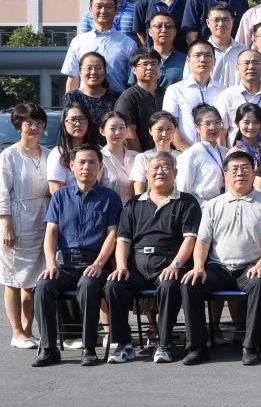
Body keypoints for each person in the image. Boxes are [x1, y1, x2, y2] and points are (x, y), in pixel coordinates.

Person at [179, 149, 261, 365]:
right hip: (219, 268)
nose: (240, 173)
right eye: (234, 169)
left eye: (245, 168)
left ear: (254, 172)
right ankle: (197, 347)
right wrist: (198, 266)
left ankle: (251, 346)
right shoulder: (213, 205)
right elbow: (203, 241)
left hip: (250, 267)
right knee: (190, 283)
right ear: (225, 174)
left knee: (260, 282)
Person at [104, 152, 200, 364]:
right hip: (137, 266)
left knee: (169, 285)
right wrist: (121, 266)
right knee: (114, 285)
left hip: (168, 263)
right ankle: (123, 344)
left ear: (175, 172)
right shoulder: (133, 204)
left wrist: (175, 265)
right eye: (155, 168)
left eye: (166, 167)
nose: (160, 172)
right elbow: (123, 240)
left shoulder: (187, 202)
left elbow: (190, 239)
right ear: (146, 173)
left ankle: (163, 343)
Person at [31, 145, 121, 367]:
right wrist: (51, 263)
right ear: (71, 166)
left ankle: (89, 348)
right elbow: (51, 232)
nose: (86, 167)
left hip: (94, 265)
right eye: (81, 162)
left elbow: (113, 234)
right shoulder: (60, 197)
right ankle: (48, 348)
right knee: (42, 286)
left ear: (100, 167)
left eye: (92, 162)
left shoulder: (110, 198)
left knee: (88, 286)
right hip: (64, 265)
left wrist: (99, 263)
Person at [0, 102, 51, 350]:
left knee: (33, 281)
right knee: (13, 280)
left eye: (38, 122)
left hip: (42, 220)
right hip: (16, 221)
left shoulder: (49, 154)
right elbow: (0, 192)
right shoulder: (9, 156)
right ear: (19, 125)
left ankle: (28, 330)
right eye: (28, 123)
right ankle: (16, 331)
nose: (34, 127)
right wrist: (6, 224)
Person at [62, 0, 136, 94]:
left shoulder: (128, 43)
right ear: (90, 10)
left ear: (116, 10)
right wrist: (69, 103)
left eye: (108, 7)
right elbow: (73, 78)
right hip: (84, 101)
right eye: (99, 6)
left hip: (118, 101)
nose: (103, 11)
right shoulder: (78, 42)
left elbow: (132, 82)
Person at [162, 40, 227, 150]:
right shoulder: (175, 90)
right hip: (185, 153)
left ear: (214, 61)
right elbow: (171, 127)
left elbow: (225, 127)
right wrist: (190, 154)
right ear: (188, 60)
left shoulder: (224, 91)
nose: (203, 59)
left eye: (208, 55)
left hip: (218, 154)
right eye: (197, 55)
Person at [174, 104, 230, 205]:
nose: (213, 127)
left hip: (225, 205)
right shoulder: (190, 154)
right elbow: (183, 190)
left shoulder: (226, 152)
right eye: (207, 124)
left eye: (217, 122)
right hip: (201, 207)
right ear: (197, 127)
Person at [115, 48, 165, 151]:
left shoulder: (167, 93)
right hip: (140, 156)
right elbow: (129, 135)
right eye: (145, 64)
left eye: (154, 63)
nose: (150, 67)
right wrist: (141, 158)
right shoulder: (128, 97)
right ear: (133, 69)